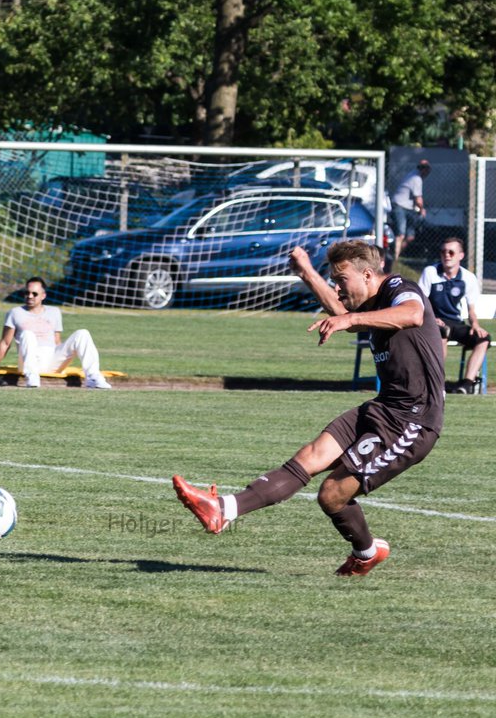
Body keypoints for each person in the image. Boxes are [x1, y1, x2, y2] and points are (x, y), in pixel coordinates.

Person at [173, 241, 445, 576]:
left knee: (331, 495)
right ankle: (223, 510)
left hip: (413, 421)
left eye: (341, 279)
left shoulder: (398, 288)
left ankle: (366, 552)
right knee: (310, 456)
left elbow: (413, 313)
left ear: (368, 275)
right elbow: (343, 313)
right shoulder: (372, 302)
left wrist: (350, 319)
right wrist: (306, 272)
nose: (337, 286)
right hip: (383, 408)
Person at [0, 277, 111, 389]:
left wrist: (64, 356)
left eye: (34, 294)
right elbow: (5, 343)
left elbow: (57, 341)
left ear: (43, 295)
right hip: (28, 360)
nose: (30, 296)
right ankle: (32, 378)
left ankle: (93, 377)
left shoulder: (54, 312)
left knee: (82, 333)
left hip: (52, 358)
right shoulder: (15, 312)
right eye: (27, 293)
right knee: (28, 334)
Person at [418, 236, 490, 394]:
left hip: (455, 322)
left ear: (461, 256)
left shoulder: (468, 278)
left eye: (451, 252)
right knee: (442, 332)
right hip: (433, 322)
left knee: (484, 338)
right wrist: (431, 318)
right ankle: (436, 383)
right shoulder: (430, 272)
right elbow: (420, 302)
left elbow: (471, 310)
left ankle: (466, 384)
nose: (447, 255)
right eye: (443, 252)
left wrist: (476, 325)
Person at [391, 159, 430, 264]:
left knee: (410, 236)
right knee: (401, 234)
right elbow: (418, 200)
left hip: (409, 208)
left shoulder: (414, 175)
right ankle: (395, 258)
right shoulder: (416, 178)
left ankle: (396, 254)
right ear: (424, 170)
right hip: (400, 206)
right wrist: (422, 210)